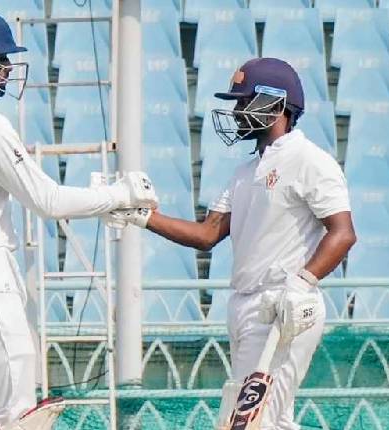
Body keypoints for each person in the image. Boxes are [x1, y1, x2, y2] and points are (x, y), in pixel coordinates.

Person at [0, 10, 158, 430]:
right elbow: (48, 200)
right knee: (16, 419)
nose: (7, 68)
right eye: (0, 58)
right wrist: (122, 193)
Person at [108, 58, 356, 429]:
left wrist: (302, 283)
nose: (237, 111)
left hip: (283, 306)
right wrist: (142, 216)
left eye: (243, 102)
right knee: (267, 420)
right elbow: (207, 234)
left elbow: (343, 233)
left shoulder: (310, 161)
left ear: (275, 105)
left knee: (252, 421)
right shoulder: (245, 172)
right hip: (245, 305)